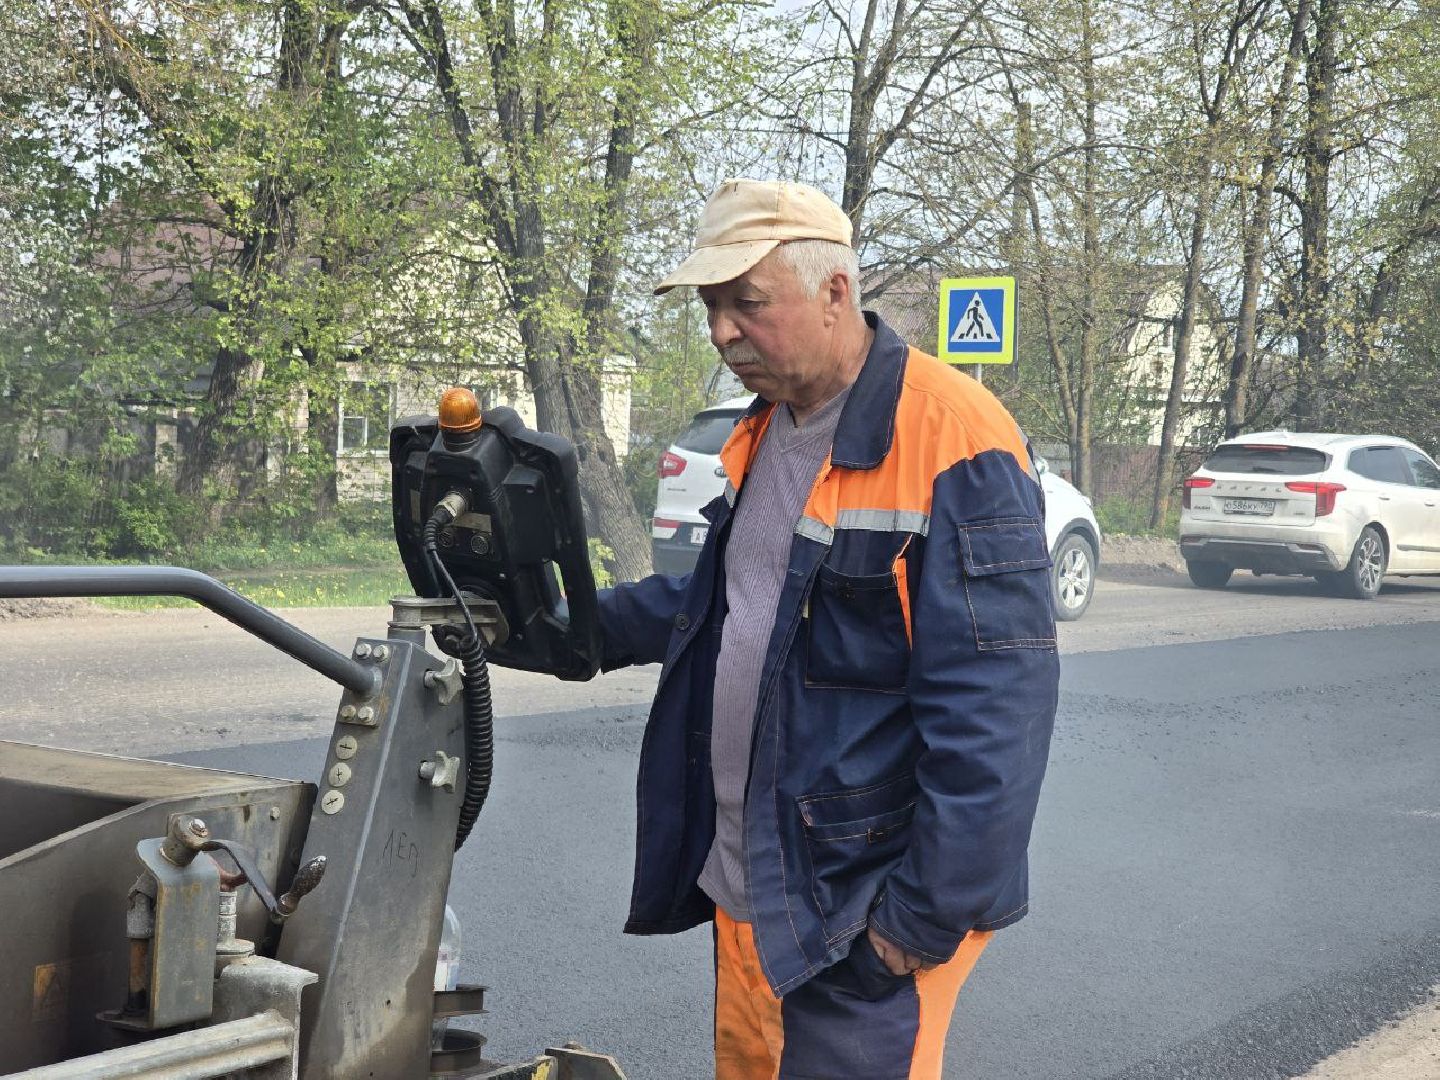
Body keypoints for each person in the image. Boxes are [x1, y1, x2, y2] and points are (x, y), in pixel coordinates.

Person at [597, 179, 1059, 1079]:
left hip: (859, 915)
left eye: (746, 304)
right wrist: (557, 628)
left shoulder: (954, 439)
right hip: (760, 885)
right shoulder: (769, 430)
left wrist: (909, 928)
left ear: (835, 291)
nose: (723, 331)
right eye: (710, 307)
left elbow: (997, 720)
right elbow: (727, 604)